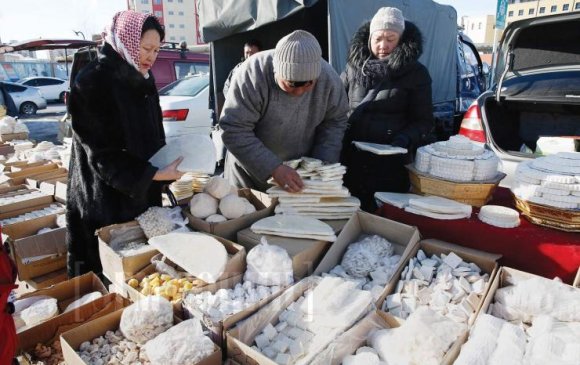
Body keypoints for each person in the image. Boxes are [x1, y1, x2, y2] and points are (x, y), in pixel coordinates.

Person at [66, 11, 183, 277]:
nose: (152, 57)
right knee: (106, 279)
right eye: (146, 48)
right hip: (104, 200)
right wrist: (151, 174)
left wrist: (164, 166)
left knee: (142, 275)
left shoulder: (142, 77)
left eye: (157, 50)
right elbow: (101, 155)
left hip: (142, 191)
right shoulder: (93, 81)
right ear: (127, 42)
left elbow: (154, 134)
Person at [220, 30, 349, 192]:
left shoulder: (329, 80)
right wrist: (273, 167)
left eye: (309, 84)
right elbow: (233, 128)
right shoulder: (252, 73)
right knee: (249, 213)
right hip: (249, 173)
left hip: (299, 173)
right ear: (276, 72)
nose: (300, 92)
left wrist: (320, 168)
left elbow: (335, 123)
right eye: (292, 84)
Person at [341, 7, 434, 211]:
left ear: (401, 39)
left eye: (390, 39)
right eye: (378, 39)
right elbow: (335, 106)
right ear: (369, 39)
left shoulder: (417, 73)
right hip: (352, 159)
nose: (383, 45)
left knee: (383, 216)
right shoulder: (353, 68)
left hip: (390, 163)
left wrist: (404, 139)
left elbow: (424, 122)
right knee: (348, 213)